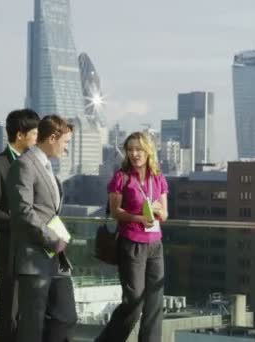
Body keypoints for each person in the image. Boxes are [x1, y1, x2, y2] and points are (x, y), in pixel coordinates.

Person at [7, 114, 77, 342]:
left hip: (55, 259)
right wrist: (52, 238)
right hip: (34, 259)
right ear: (53, 138)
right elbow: (23, 212)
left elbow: (49, 211)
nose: (66, 148)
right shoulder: (24, 165)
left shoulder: (48, 168)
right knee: (32, 326)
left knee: (66, 316)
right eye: (65, 142)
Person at [96, 132, 168, 342]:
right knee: (134, 302)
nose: (135, 154)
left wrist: (158, 211)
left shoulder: (158, 177)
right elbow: (115, 211)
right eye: (130, 150)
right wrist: (138, 217)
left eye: (139, 149)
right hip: (132, 242)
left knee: (155, 302)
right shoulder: (122, 177)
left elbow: (165, 213)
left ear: (148, 151)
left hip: (155, 243)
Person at [0, 109, 39, 342]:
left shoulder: (34, 164)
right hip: (10, 250)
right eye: (34, 133)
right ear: (21, 134)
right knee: (10, 312)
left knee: (30, 312)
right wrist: (18, 223)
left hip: (34, 250)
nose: (37, 137)